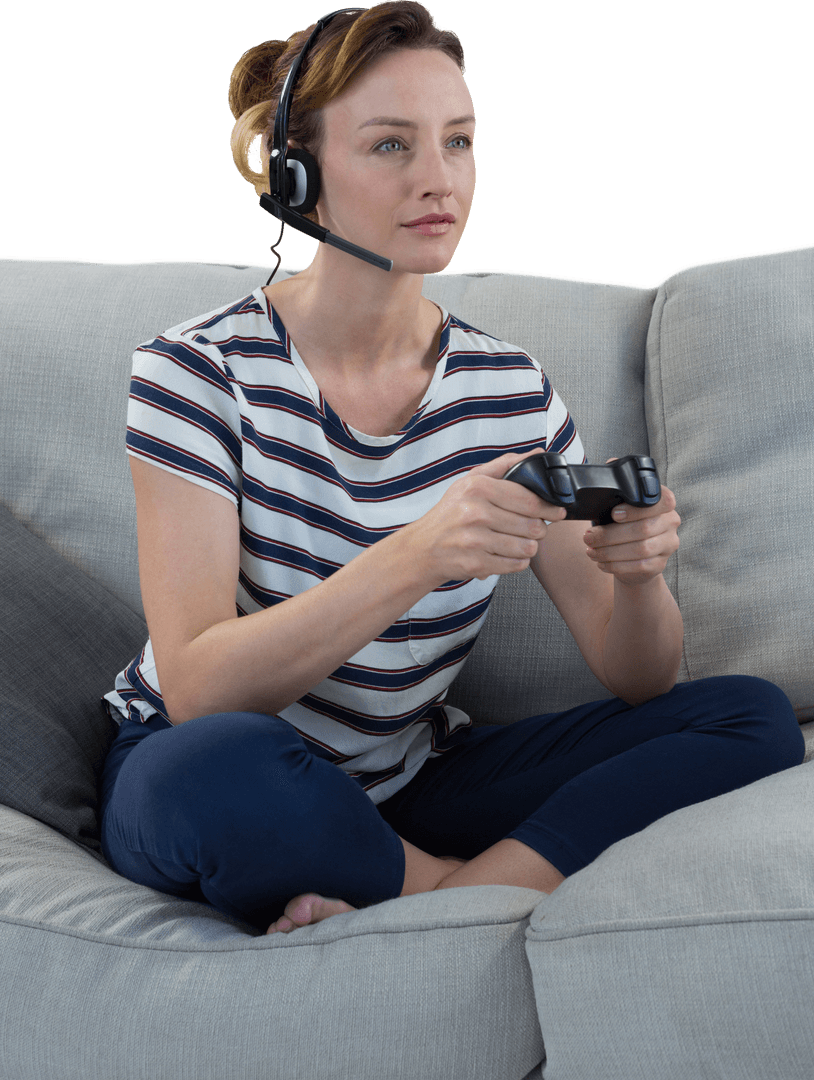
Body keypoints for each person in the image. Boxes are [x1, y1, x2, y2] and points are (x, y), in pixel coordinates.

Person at [100, 1, 804, 935]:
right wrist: (421, 551)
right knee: (214, 774)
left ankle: (432, 893)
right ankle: (453, 894)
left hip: (412, 778)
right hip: (212, 758)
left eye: (459, 143)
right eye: (391, 146)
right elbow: (197, 689)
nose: (440, 181)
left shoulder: (507, 389)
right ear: (295, 173)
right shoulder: (196, 371)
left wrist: (634, 580)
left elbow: (640, 679)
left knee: (748, 718)